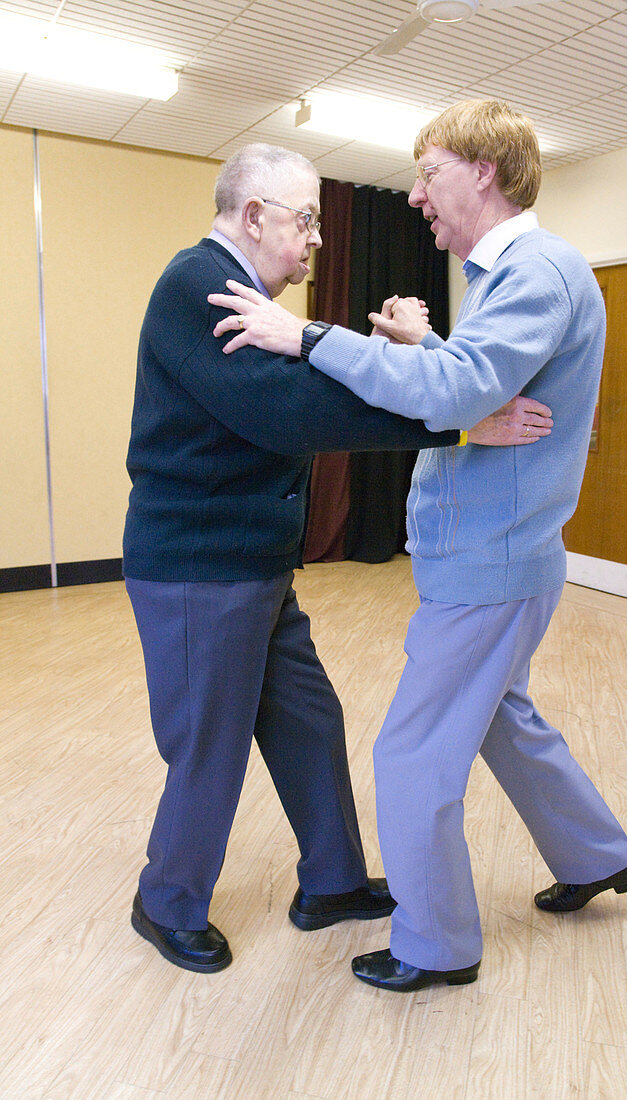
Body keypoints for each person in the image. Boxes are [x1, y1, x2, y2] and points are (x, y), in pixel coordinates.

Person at [208, 100, 627, 993]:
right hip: (497, 558)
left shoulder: (532, 272)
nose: (415, 195)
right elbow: (471, 388)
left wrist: (311, 336)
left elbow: (451, 400)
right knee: (498, 719)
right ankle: (597, 853)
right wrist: (428, 346)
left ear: (483, 172)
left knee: (410, 754)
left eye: (429, 171)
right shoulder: (512, 274)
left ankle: (436, 944)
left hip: (491, 564)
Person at [123, 141, 549, 974]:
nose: (316, 237)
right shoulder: (197, 286)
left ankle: (332, 882)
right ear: (253, 216)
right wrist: (451, 417)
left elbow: (312, 385)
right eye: (305, 218)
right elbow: (291, 414)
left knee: (310, 721)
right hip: (198, 567)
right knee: (209, 742)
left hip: (255, 565)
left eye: (320, 219)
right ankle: (165, 899)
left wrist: (413, 371)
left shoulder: (247, 295)